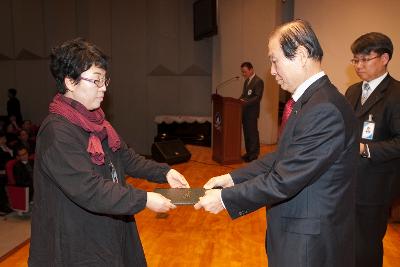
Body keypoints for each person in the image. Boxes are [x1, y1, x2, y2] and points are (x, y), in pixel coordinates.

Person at [195, 19, 358, 267]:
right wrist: (232, 178)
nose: (271, 71)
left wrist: (225, 198)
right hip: (294, 230)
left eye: (274, 60)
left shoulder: (323, 108)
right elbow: (282, 156)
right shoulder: (311, 101)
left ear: (301, 55)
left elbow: (284, 180)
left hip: (307, 243)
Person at [28, 38, 190, 267]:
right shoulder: (57, 131)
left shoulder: (97, 121)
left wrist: (163, 173)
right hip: (76, 241)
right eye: (96, 80)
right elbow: (89, 188)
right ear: (70, 82)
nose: (103, 88)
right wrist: (144, 199)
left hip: (107, 225)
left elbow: (125, 156)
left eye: (104, 80)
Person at [345, 32, 400, 267]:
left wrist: (365, 149)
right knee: (348, 243)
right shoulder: (353, 91)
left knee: (366, 246)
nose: (358, 66)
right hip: (347, 181)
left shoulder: (396, 94)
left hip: (375, 185)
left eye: (365, 60)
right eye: (355, 60)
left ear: (385, 58)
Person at [239, 62, 264, 162]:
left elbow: (257, 97)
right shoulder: (246, 81)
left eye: (245, 72)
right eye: (242, 72)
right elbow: (244, 95)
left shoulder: (258, 81)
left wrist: (244, 102)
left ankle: (254, 154)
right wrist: (237, 101)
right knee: (247, 133)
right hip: (244, 112)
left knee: (252, 133)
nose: (243, 74)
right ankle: (249, 152)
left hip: (252, 112)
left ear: (251, 70)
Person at [0, 131, 13, 215]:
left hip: (8, 170)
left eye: (5, 138)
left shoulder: (7, 147)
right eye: (2, 138)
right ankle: (2, 206)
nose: (5, 139)